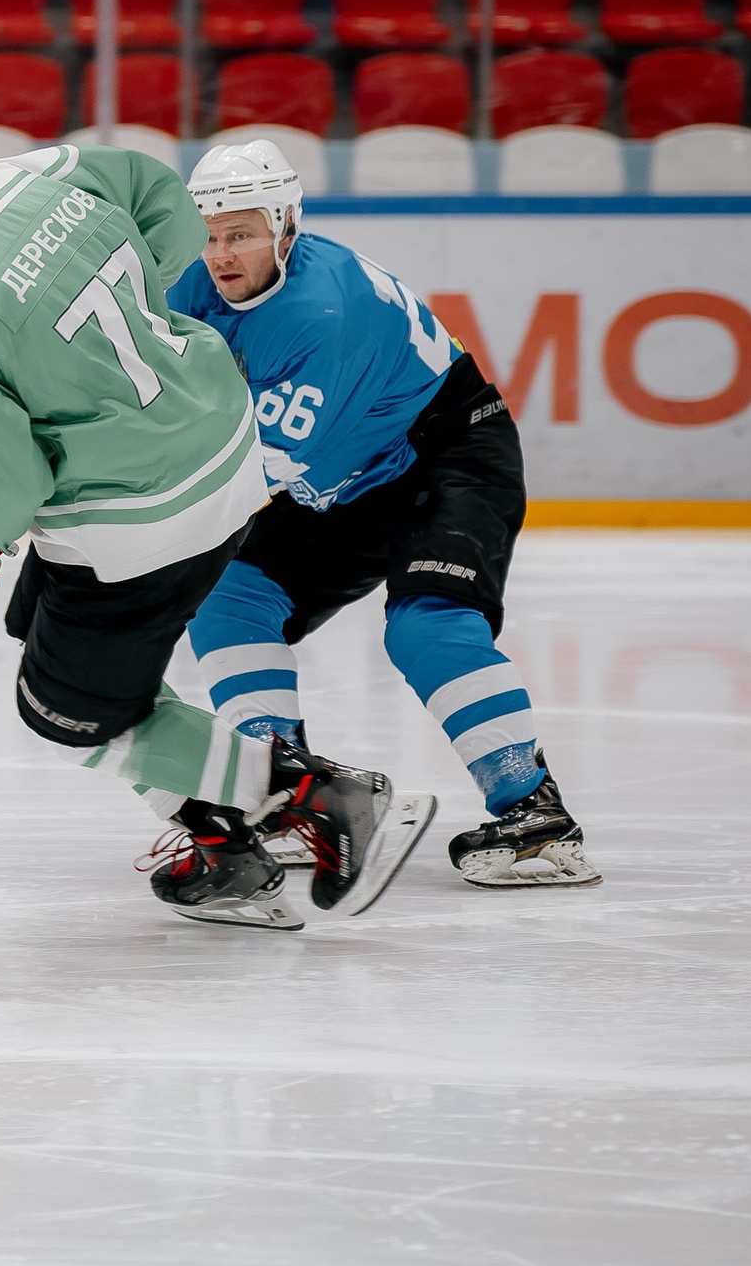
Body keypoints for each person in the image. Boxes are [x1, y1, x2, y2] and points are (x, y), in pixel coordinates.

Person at [0, 61, 436, 931]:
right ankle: (221, 849)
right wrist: (153, 311)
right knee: (45, 627)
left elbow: (4, 482)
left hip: (139, 517)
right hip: (226, 448)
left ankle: (317, 794)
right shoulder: (46, 171)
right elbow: (156, 190)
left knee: (65, 709)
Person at [164, 139, 599, 888]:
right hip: (339, 476)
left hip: (443, 455)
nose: (221, 254)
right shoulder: (193, 288)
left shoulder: (326, 311)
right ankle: (284, 797)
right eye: (208, 235)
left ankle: (535, 814)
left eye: (241, 234)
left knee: (428, 624)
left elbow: (253, 472)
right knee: (228, 600)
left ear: (286, 226)